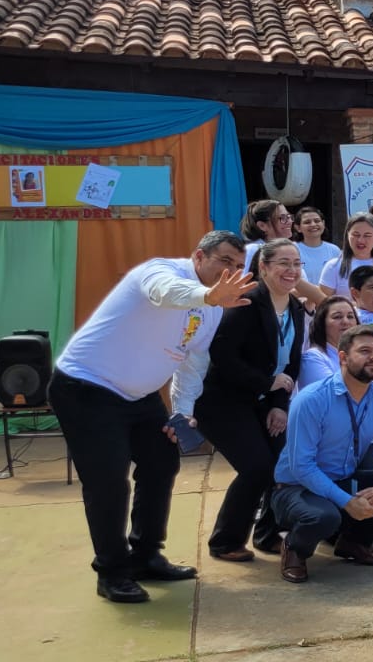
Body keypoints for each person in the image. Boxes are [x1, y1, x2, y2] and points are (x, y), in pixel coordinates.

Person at [51, 230, 255, 603]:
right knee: (109, 482)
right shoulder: (160, 272)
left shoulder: (212, 310)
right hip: (86, 388)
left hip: (141, 398)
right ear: (198, 256)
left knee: (161, 463)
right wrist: (208, 296)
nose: (232, 272)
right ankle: (112, 571)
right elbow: (166, 294)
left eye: (239, 266)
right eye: (225, 261)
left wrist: (182, 413)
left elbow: (192, 364)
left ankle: (146, 556)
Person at [272, 324, 373, 583]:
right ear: (343, 357)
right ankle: (295, 548)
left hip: (343, 478)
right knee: (325, 516)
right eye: (364, 351)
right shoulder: (312, 399)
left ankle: (354, 543)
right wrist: (346, 501)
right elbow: (302, 467)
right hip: (296, 487)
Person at [195, 239, 307, 563]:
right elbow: (223, 356)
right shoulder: (246, 302)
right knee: (257, 468)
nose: (292, 270)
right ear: (264, 267)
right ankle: (225, 541)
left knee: (285, 464)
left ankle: (268, 534)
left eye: (297, 263)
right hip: (221, 401)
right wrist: (266, 383)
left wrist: (278, 405)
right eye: (284, 263)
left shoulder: (296, 308)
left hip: (261, 401)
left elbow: (290, 364)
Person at [300, 296, 358, 390]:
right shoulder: (313, 357)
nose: (346, 321)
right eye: (337, 317)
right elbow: (336, 392)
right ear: (322, 324)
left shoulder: (358, 356)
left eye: (350, 316)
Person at [293, 206, 342, 290]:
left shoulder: (334, 250)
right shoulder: (292, 248)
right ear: (298, 228)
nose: (313, 224)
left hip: (328, 300)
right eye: (307, 222)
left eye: (317, 221)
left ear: (323, 223)